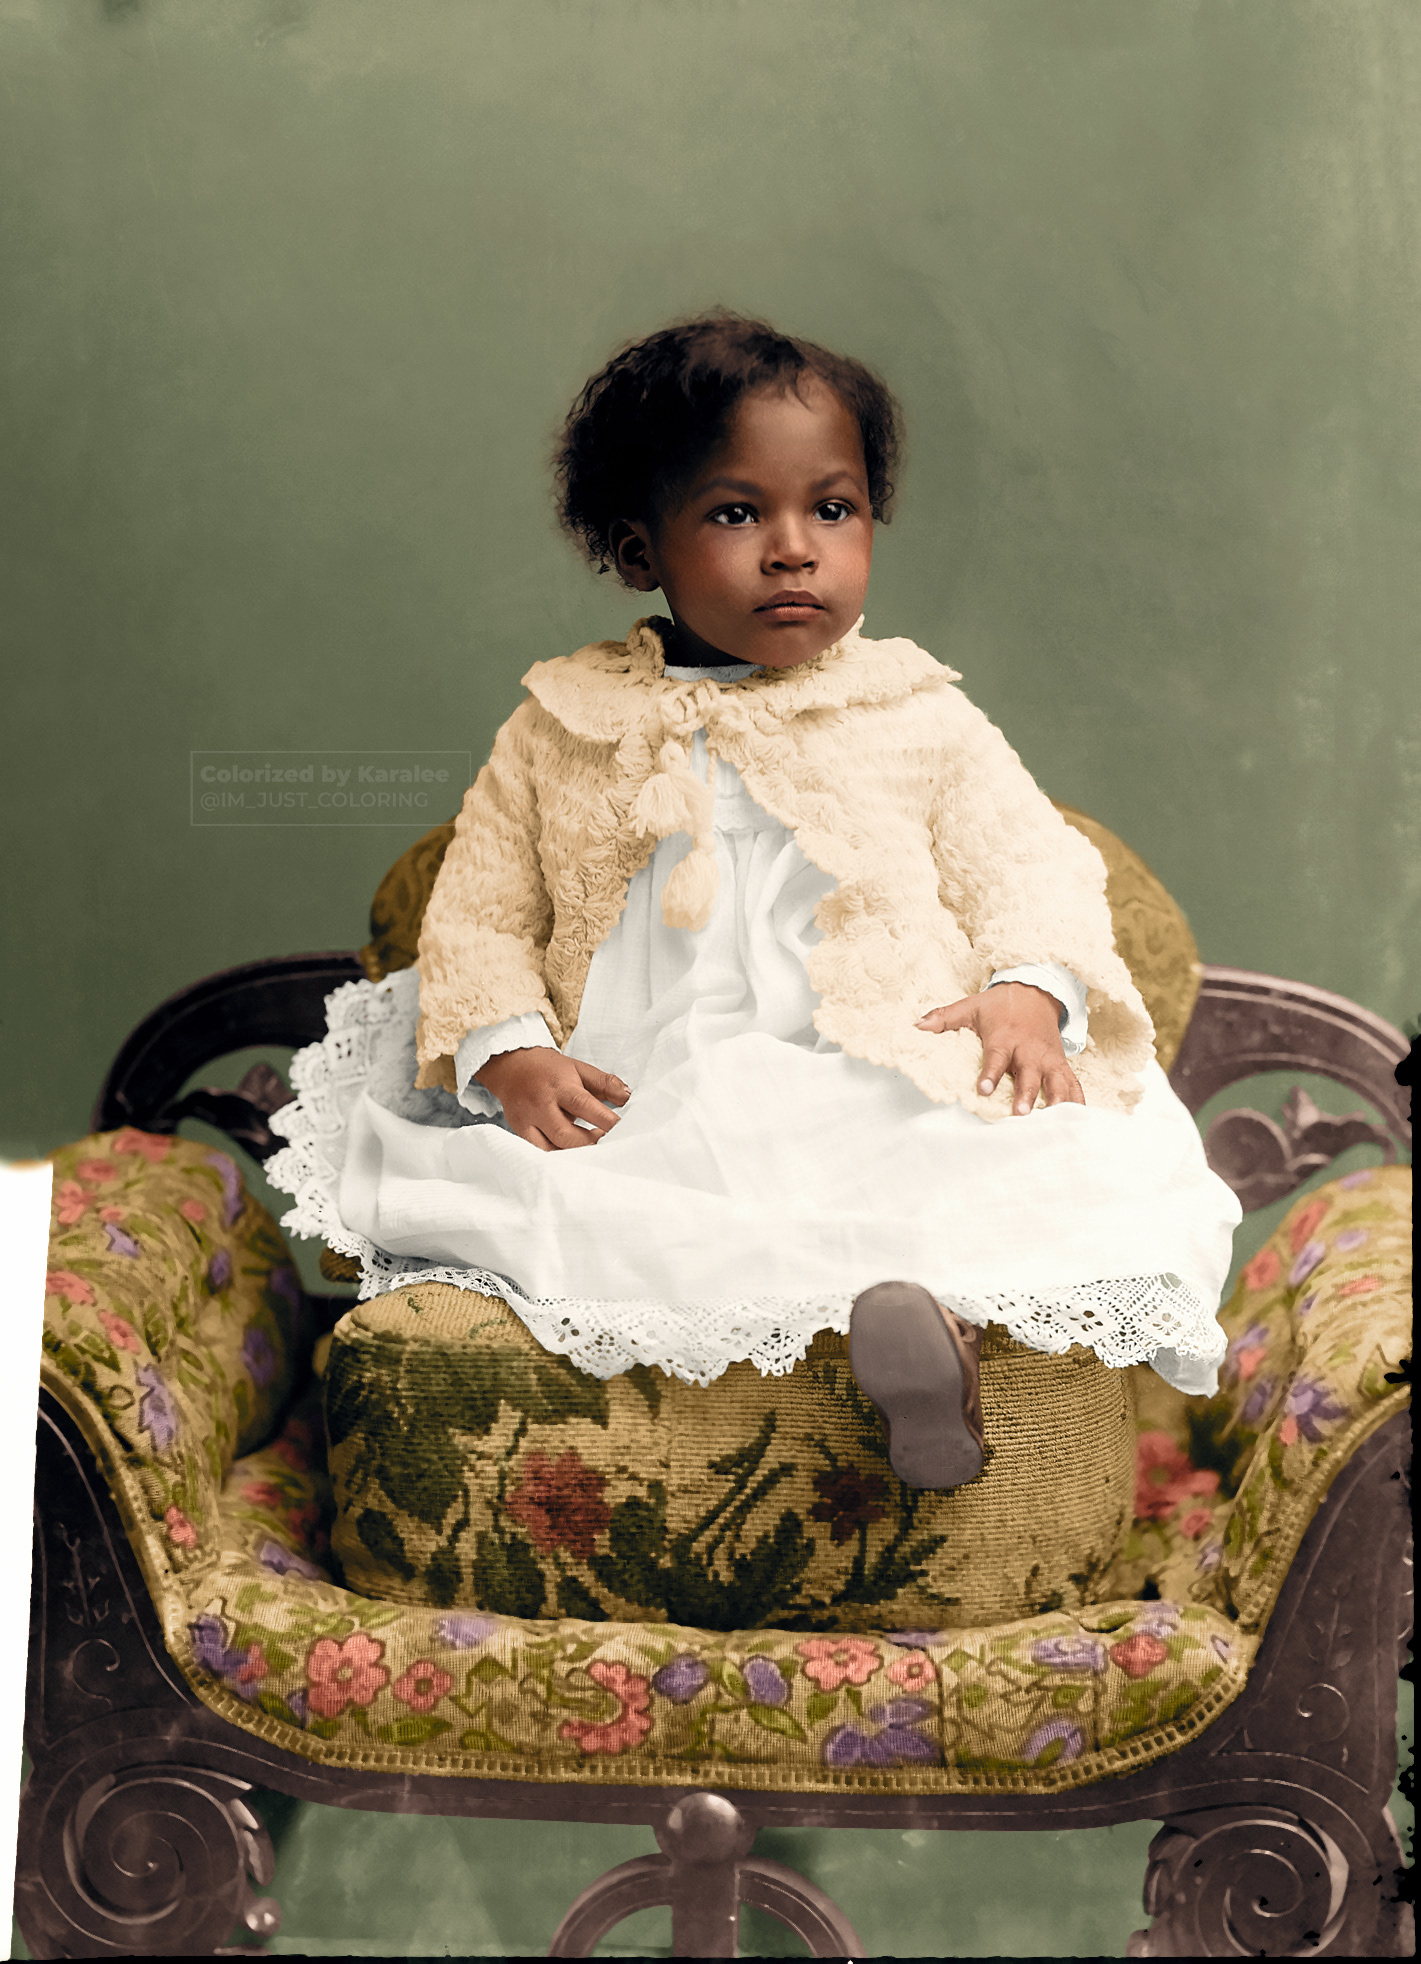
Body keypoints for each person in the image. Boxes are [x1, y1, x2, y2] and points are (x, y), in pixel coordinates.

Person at [270, 312, 1240, 1493]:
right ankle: (769, 1376)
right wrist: (512, 1052)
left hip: (867, 1060)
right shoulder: (560, 724)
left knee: (982, 1167)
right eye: (737, 514)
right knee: (610, 1210)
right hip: (638, 1087)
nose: (794, 549)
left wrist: (1024, 994)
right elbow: (478, 911)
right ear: (640, 550)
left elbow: (1026, 863)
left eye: (830, 509)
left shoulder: (914, 711)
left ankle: (926, 1357)